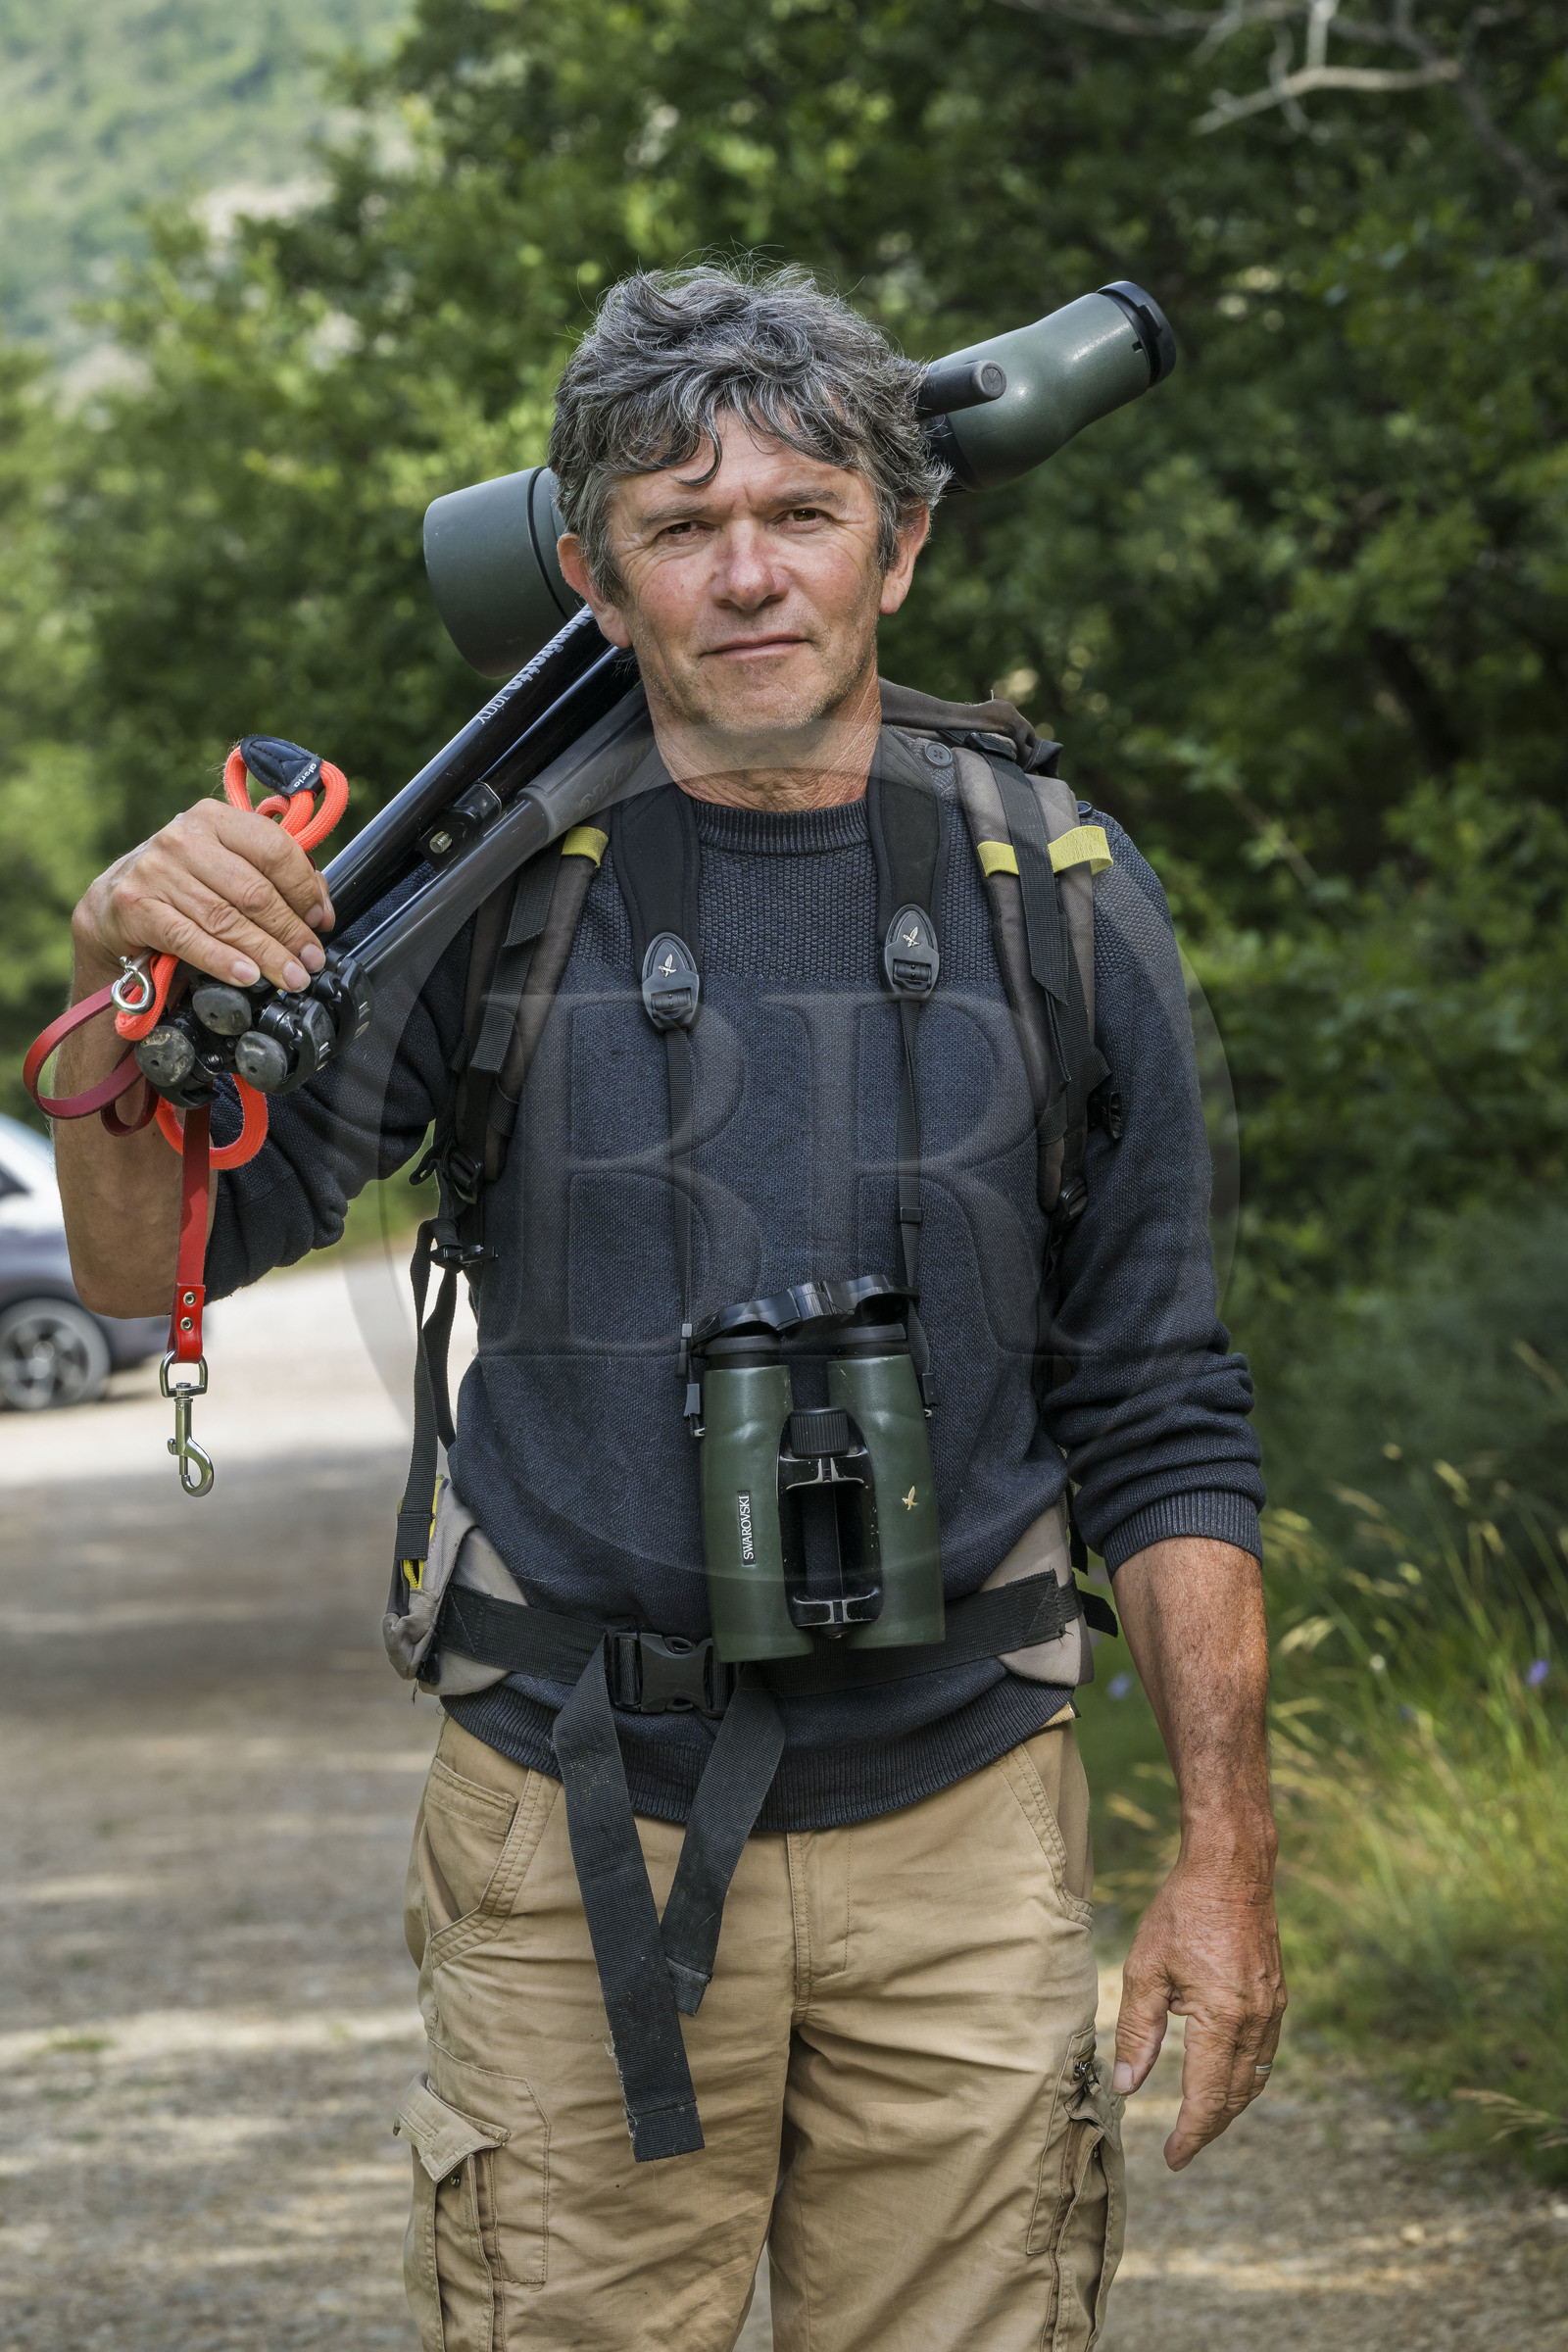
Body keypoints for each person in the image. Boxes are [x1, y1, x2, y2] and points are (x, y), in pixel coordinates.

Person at [54, 263, 1283, 2352]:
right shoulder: (492, 889)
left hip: (968, 1827)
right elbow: (143, 1261)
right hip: (567, 1821)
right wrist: (114, 1010)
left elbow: (1162, 1403)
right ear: (587, 580)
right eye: (677, 528)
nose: (745, 576)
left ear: (900, 542)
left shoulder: (1060, 897)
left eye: (800, 513)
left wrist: (1222, 1860)